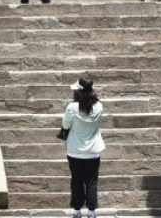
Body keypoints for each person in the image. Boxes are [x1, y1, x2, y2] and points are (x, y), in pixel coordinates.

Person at [62, 75, 105, 218]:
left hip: (74, 151)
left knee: (76, 181)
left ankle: (76, 211)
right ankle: (92, 213)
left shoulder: (72, 107)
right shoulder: (99, 106)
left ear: (78, 92)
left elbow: (65, 125)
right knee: (92, 182)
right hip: (93, 151)